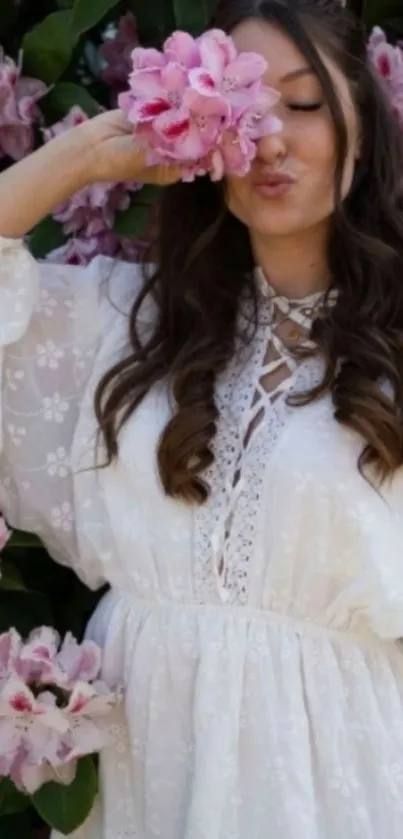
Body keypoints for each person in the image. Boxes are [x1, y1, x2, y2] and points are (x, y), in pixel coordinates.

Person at [1, 0, 403, 835]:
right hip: (147, 765)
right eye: (242, 113)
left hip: (334, 777)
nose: (273, 139)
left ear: (361, 128)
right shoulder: (122, 327)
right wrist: (80, 157)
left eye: (303, 104)